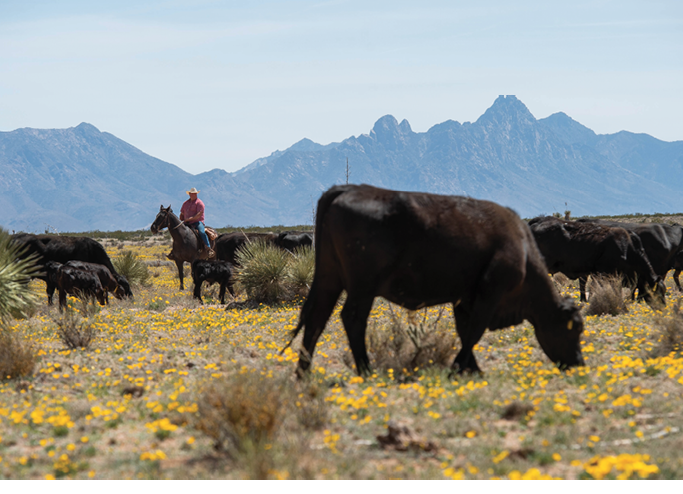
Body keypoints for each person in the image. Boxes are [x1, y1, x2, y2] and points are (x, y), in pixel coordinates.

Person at [180, 188, 215, 258]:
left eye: (194, 193)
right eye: (192, 193)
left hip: (197, 222)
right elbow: (182, 213)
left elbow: (199, 215)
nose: (193, 195)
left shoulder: (200, 203)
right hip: (187, 222)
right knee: (178, 232)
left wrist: (189, 219)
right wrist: (181, 218)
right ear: (189, 194)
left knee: (201, 232)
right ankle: (175, 250)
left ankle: (208, 249)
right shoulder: (185, 203)